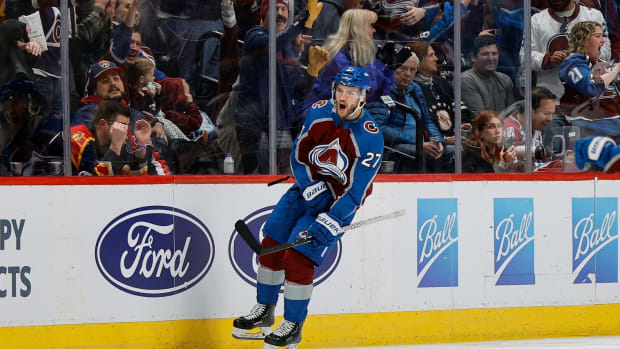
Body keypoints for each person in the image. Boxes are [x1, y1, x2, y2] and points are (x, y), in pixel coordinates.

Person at [232, 66, 383, 348]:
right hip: (303, 190)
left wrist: (333, 219)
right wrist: (309, 183)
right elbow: (298, 155)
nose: (342, 96)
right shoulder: (318, 111)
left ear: (363, 97)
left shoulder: (370, 136)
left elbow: (358, 191)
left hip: (336, 204)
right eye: (340, 89)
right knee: (271, 241)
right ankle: (264, 311)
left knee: (299, 256)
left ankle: (292, 325)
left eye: (350, 92)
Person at [234, 0, 316, 174]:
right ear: (263, 14)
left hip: (281, 127)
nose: (280, 13)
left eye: (284, 9)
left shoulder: (290, 49)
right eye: (274, 8)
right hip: (254, 125)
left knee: (285, 181)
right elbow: (272, 44)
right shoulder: (254, 35)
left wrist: (312, 73)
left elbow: (299, 92)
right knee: (256, 181)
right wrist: (301, 23)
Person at [295, 9, 394, 121]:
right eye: (371, 26)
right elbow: (360, 89)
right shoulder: (337, 59)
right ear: (359, 29)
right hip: (324, 120)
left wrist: (386, 69)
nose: (374, 30)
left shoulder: (353, 56)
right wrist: (383, 71)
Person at [373, 47, 445, 172]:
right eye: (403, 68)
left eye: (412, 70)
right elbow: (380, 128)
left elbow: (427, 122)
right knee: (421, 153)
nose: (408, 74)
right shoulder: (380, 91)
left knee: (458, 151)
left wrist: (438, 141)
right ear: (392, 69)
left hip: (422, 143)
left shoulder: (416, 89)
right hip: (397, 148)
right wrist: (418, 143)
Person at [523, 0, 609, 102]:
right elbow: (524, 56)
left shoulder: (594, 16)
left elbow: (605, 53)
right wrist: (547, 59)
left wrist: (577, 56)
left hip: (588, 101)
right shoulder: (535, 20)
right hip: (551, 102)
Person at [410, 40, 474, 171]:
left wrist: (461, 125)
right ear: (418, 60)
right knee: (466, 154)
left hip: (454, 141)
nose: (437, 59)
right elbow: (418, 124)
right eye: (431, 55)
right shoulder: (412, 89)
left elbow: (460, 108)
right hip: (435, 145)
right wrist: (444, 139)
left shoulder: (441, 83)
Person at [558, 21, 620, 142]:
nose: (603, 41)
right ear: (583, 39)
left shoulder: (604, 64)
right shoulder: (572, 64)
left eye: (603, 36)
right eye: (597, 36)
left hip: (616, 135)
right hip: (588, 135)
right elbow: (591, 88)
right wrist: (616, 69)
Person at [70, 100, 154, 175]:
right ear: (103, 124)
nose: (126, 131)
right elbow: (95, 182)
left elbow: (129, 173)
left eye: (128, 126)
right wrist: (115, 147)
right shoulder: (78, 137)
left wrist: (141, 146)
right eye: (121, 125)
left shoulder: (116, 141)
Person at [501, 87, 556, 169]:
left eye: (552, 114)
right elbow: (513, 169)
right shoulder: (510, 130)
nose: (551, 119)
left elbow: (543, 161)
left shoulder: (535, 125)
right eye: (546, 113)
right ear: (530, 110)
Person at [461, 35, 516, 115]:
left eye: (494, 53)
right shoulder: (466, 80)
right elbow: (483, 119)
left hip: (503, 126)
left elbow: (513, 115)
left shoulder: (505, 79)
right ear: (473, 57)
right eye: (485, 54)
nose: (491, 58)